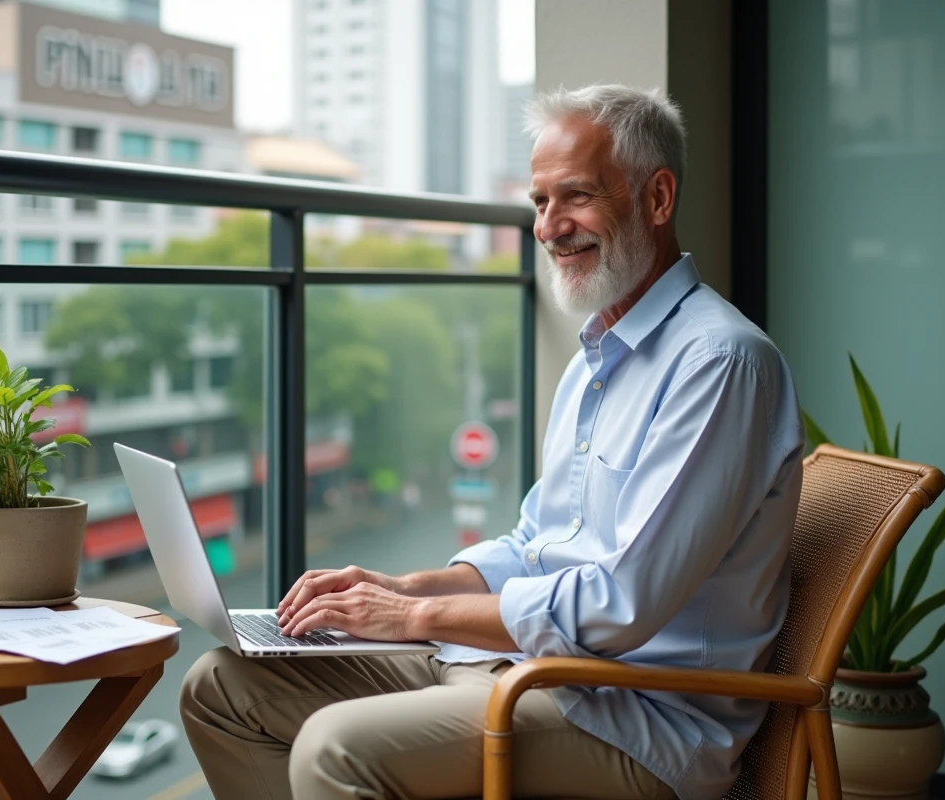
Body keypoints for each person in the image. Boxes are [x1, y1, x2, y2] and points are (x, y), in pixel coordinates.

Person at [179, 83, 804, 800]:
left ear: (657, 199)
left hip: (637, 719)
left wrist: (413, 617)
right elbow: (535, 545)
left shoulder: (720, 364)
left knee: (336, 750)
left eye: (576, 196)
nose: (549, 227)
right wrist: (398, 586)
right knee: (222, 687)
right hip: (523, 668)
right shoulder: (595, 360)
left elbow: (621, 603)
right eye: (539, 203)